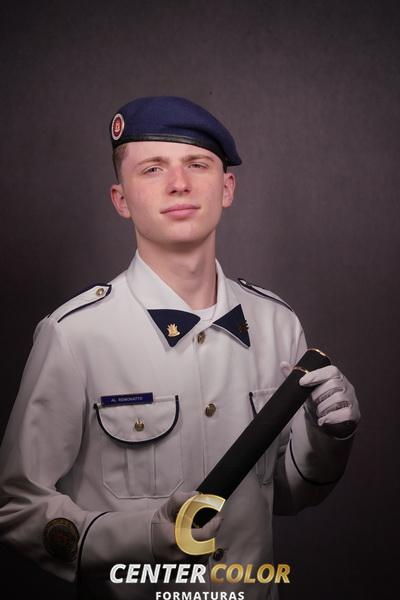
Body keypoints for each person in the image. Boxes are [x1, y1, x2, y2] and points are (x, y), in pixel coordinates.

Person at [0, 96, 361, 599]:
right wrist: (141, 537)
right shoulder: (74, 336)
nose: (179, 184)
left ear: (227, 188)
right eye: (152, 168)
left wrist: (328, 438)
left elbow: (284, 493)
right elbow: (17, 507)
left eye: (197, 164)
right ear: (121, 199)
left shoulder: (277, 323)